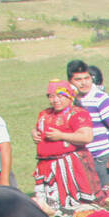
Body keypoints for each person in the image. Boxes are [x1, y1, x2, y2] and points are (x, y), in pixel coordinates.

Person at [32, 81, 100, 209]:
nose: (55, 100)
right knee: (49, 206)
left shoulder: (78, 114)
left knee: (75, 206)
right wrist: (34, 132)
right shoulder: (45, 114)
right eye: (51, 96)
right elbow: (39, 128)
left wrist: (61, 136)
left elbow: (87, 137)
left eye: (60, 96)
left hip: (70, 165)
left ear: (69, 96)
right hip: (46, 166)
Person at [68, 59, 109, 185]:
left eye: (87, 78)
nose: (84, 83)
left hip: (101, 158)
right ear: (70, 81)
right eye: (78, 80)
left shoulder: (101, 98)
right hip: (80, 159)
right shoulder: (68, 100)